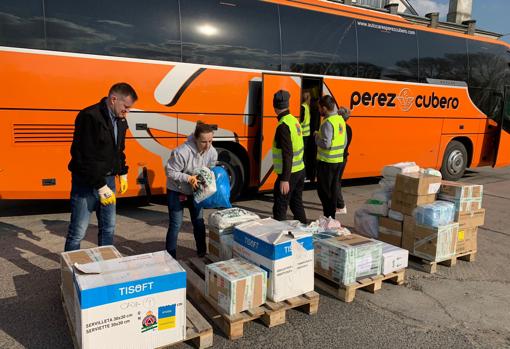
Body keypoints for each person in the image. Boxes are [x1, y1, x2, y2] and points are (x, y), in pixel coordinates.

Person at [64, 83, 137, 251]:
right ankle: (70, 274)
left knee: (108, 228)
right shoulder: (89, 116)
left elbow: (118, 150)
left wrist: (122, 172)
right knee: (78, 231)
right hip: (86, 184)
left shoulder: (120, 120)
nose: (127, 111)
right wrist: (100, 185)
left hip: (109, 180)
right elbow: (83, 156)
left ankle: (105, 267)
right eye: (125, 106)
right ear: (113, 99)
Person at [165, 121, 218, 258]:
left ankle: (202, 254)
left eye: (210, 141)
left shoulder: (212, 152)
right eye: (203, 142)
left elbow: (210, 168)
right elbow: (170, 172)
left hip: (196, 192)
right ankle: (170, 257)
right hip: (176, 190)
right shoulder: (182, 152)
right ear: (195, 139)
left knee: (199, 222)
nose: (207, 146)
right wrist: (188, 178)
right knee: (176, 224)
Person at [272, 90, 307, 224]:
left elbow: (287, 153)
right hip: (299, 170)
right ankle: (304, 230)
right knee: (296, 203)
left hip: (289, 173)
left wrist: (284, 179)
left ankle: (280, 239)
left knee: (280, 206)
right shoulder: (293, 121)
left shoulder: (283, 126)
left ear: (274, 106)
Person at [314, 95, 347, 219]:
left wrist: (316, 137)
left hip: (326, 162)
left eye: (319, 108)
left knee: (324, 192)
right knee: (333, 191)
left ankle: (328, 217)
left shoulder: (327, 122)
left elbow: (326, 144)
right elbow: (344, 142)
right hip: (338, 161)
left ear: (324, 108)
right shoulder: (340, 120)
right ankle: (331, 217)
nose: (319, 111)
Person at [336, 107, 352, 215]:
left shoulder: (341, 128)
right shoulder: (349, 128)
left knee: (335, 182)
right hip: (344, 157)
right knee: (337, 181)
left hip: (339, 158)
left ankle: (341, 205)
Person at [300, 91, 312, 180]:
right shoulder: (307, 107)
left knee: (302, 156)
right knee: (305, 155)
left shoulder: (302, 108)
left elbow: (301, 121)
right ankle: (305, 174)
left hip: (302, 135)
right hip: (307, 134)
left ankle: (303, 175)